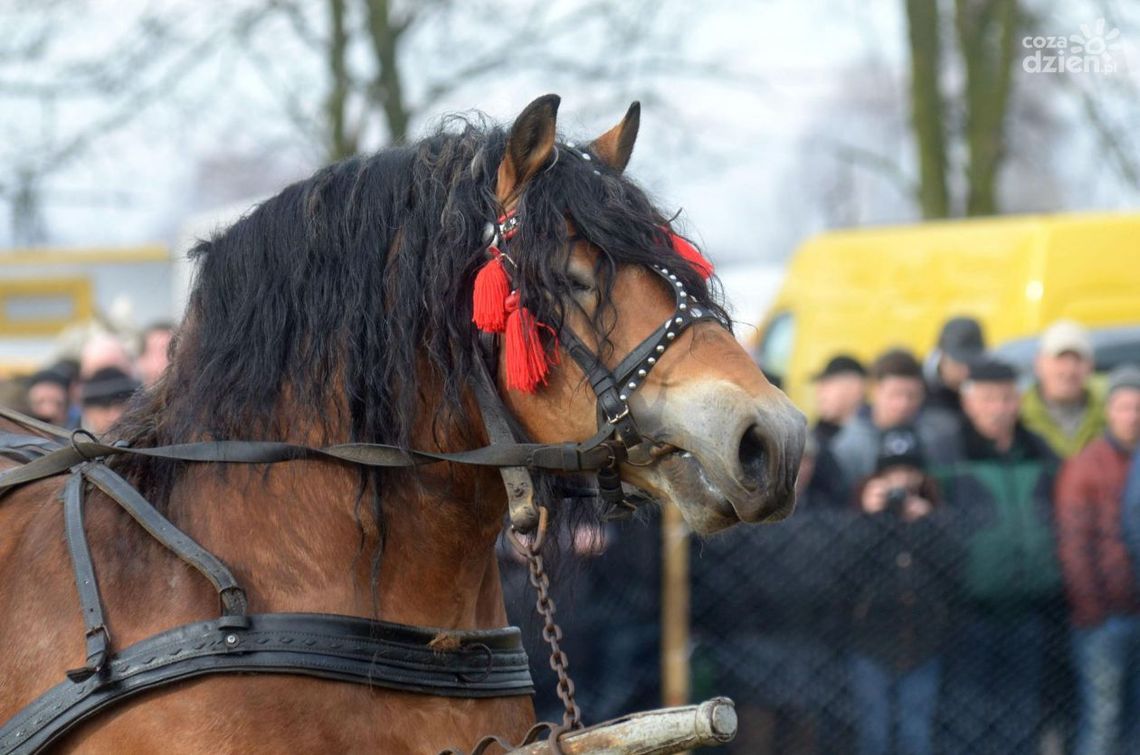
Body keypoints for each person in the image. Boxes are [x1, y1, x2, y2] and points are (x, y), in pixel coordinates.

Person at [936, 357, 1062, 755]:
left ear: (1019, 401)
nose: (999, 408)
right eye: (988, 398)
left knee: (1021, 716)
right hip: (970, 613)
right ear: (969, 402)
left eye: (1007, 398)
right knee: (969, 718)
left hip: (1029, 609)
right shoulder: (946, 454)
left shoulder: (1038, 450)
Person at [842, 426, 959, 755]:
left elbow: (954, 570)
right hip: (871, 641)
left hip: (923, 643)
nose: (902, 482)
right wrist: (867, 518)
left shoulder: (935, 513)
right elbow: (844, 569)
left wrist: (929, 524)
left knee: (916, 737)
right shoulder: (861, 512)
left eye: (909, 472)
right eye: (893, 473)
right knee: (873, 737)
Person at [1055, 364, 1140, 755]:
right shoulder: (1087, 465)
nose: (1133, 416)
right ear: (1108, 410)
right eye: (1124, 407)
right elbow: (1074, 544)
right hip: (1104, 618)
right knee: (1102, 721)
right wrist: (1092, 610)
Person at [831, 348, 958, 490]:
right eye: (895, 394)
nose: (903, 404)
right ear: (875, 390)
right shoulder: (849, 444)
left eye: (912, 395)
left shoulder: (938, 437)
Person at [1021, 320, 1104, 459]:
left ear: (1090, 366)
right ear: (1039, 363)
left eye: (1077, 360)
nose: (1069, 371)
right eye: (1060, 359)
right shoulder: (1017, 417)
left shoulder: (1110, 418)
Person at [924, 316, 985, 430]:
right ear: (941, 355)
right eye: (959, 361)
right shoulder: (918, 387)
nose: (967, 370)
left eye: (973, 362)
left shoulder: (984, 382)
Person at [811, 354, 867, 447]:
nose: (820, 392)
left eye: (827, 384)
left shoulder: (876, 436)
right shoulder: (814, 437)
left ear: (855, 388)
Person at [79, 366, 140, 435]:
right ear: (88, 412)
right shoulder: (71, 439)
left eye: (120, 406)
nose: (115, 416)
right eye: (105, 408)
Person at [137, 321, 175, 388]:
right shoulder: (125, 394)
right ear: (142, 360)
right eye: (161, 352)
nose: (169, 359)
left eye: (174, 352)